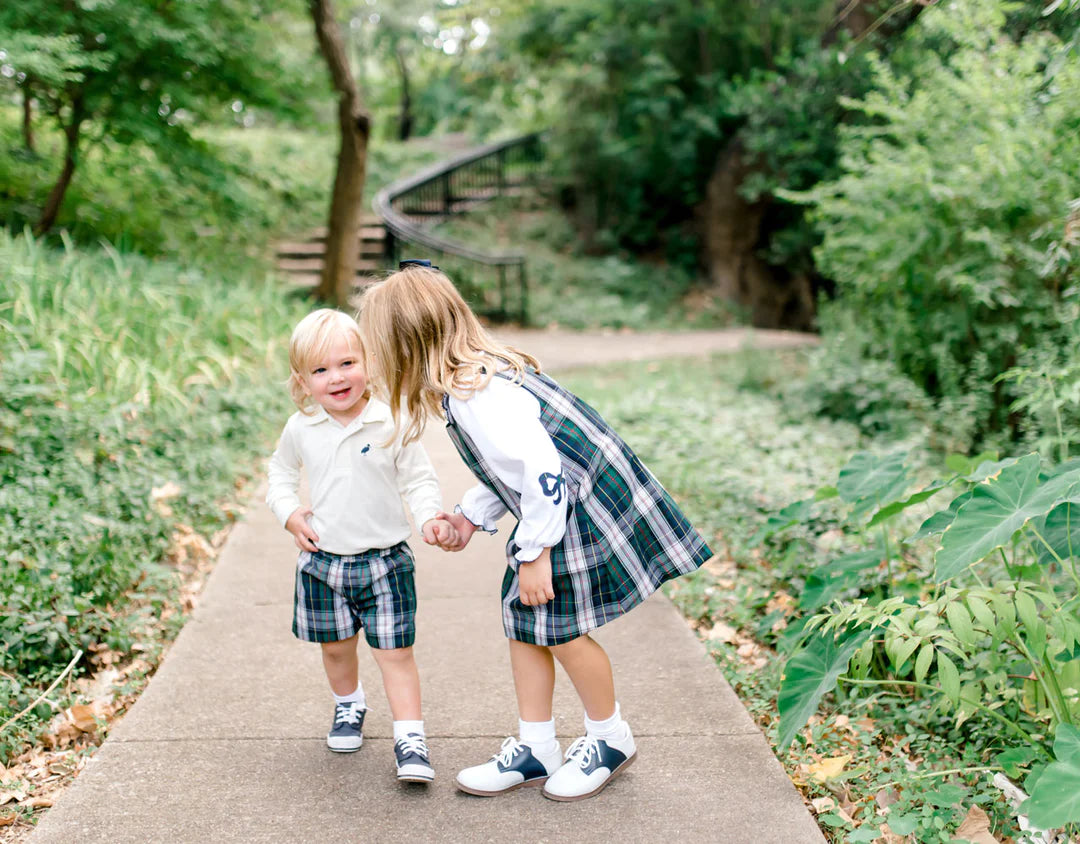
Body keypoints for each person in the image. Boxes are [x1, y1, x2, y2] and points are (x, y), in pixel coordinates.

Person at [357, 261, 713, 802]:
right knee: (525, 619)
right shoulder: (472, 379)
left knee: (562, 627)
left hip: (571, 507)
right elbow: (512, 469)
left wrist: (536, 552)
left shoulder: (482, 394)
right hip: (558, 503)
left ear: (407, 345)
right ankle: (537, 746)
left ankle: (609, 738)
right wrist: (471, 516)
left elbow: (544, 472)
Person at [265, 308, 457, 783]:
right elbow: (280, 475)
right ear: (302, 382)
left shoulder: (390, 418)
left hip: (385, 562)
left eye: (347, 363)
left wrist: (430, 516)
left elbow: (418, 479)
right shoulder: (301, 427)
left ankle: (410, 738)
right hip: (323, 563)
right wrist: (289, 513)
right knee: (335, 649)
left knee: (395, 653)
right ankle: (349, 704)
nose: (336, 377)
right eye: (321, 370)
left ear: (368, 362)